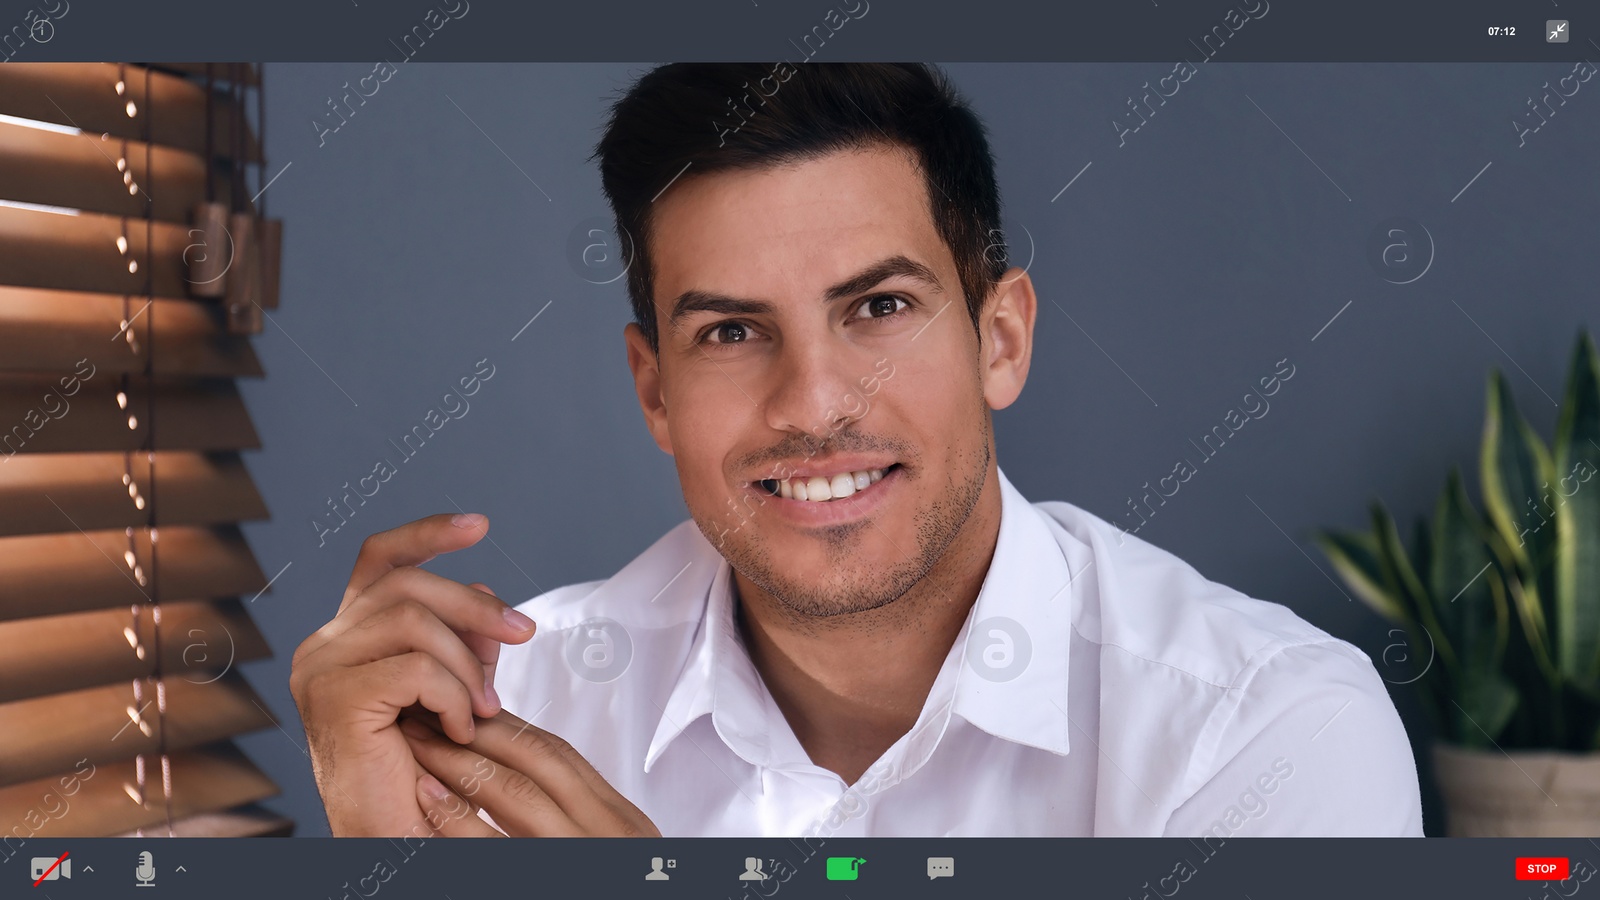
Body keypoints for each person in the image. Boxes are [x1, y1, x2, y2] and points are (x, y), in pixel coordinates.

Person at [288, 63, 1424, 838]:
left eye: (879, 308)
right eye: (731, 331)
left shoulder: (1271, 733)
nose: (812, 402)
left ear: (1001, 339)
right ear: (654, 391)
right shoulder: (509, 716)